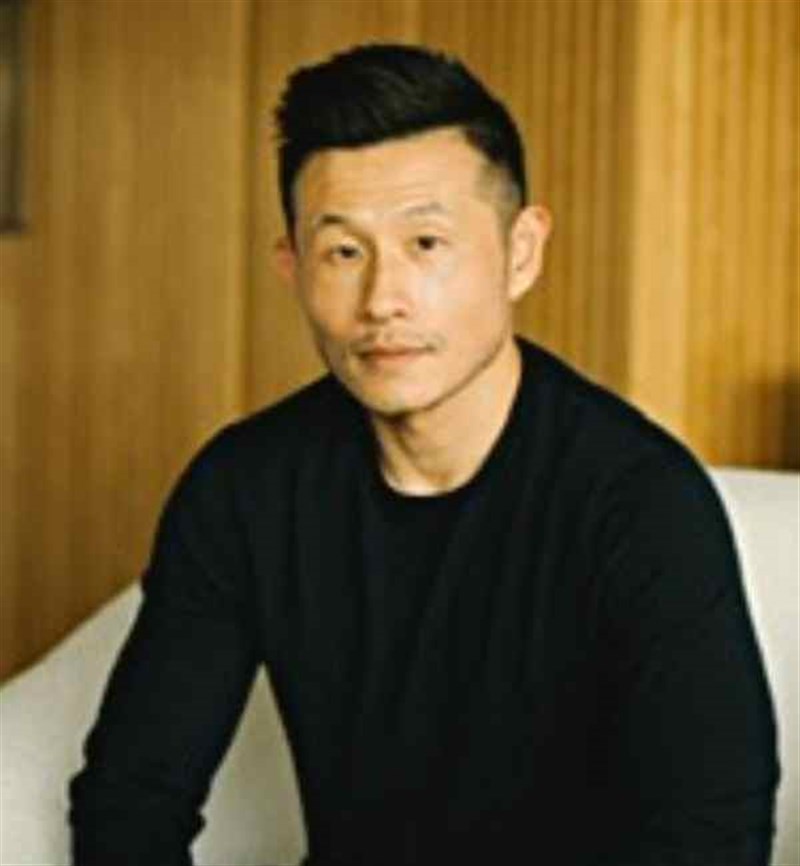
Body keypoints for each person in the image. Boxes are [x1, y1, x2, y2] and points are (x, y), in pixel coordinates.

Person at [69, 44, 779, 866]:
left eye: (427, 244)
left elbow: (714, 838)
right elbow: (131, 799)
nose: (383, 300)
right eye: (344, 252)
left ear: (521, 251)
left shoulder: (640, 502)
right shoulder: (245, 491)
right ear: (292, 266)